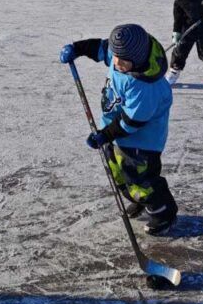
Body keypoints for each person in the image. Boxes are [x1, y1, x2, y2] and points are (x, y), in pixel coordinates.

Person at [59, 23, 178, 235]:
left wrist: (104, 135)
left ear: (139, 59)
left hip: (141, 141)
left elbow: (131, 122)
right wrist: (77, 49)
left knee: (141, 179)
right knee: (118, 171)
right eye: (115, 57)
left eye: (122, 61)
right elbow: (99, 48)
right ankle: (138, 199)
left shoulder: (145, 87)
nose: (116, 63)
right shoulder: (123, 57)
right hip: (117, 134)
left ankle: (163, 213)